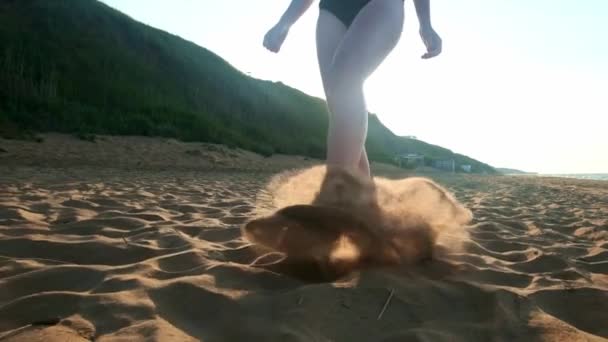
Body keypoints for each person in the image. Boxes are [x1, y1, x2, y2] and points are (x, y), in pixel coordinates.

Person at [263, 0, 442, 178]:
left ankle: (335, 188)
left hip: (381, 4)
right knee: (338, 101)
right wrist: (284, 23)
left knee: (344, 82)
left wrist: (425, 24)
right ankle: (362, 193)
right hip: (333, 9)